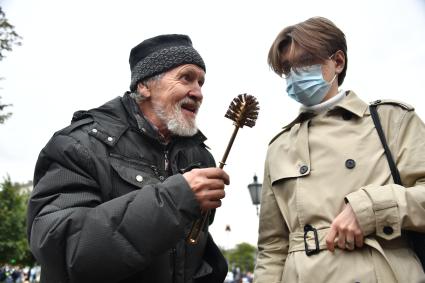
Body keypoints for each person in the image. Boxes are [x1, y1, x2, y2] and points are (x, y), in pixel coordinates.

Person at [27, 34, 230, 283]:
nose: (198, 93)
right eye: (186, 78)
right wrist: (175, 199)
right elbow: (61, 249)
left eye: (201, 82)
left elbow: (189, 256)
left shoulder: (199, 156)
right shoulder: (79, 145)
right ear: (144, 86)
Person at [253, 17, 425, 283]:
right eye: (288, 68)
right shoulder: (279, 147)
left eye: (305, 62)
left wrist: (372, 208)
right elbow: (272, 249)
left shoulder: (392, 120)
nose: (296, 76)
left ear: (338, 62)